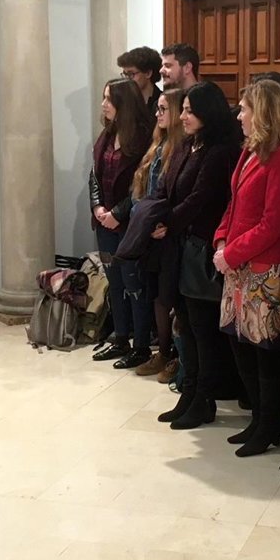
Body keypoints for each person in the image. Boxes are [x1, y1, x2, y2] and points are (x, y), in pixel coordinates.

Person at [213, 80, 280, 455]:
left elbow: (274, 223)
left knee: (265, 350)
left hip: (265, 267)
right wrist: (222, 239)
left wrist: (232, 253)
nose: (239, 116)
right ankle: (258, 419)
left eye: (244, 109)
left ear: (263, 113)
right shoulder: (250, 151)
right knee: (240, 344)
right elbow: (233, 204)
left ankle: (269, 424)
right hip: (238, 264)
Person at [154, 81, 241, 429]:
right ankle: (188, 392)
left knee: (202, 329)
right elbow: (166, 186)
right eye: (184, 110)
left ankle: (204, 398)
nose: (183, 116)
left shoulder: (220, 151)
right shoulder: (188, 144)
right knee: (185, 324)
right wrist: (158, 217)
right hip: (180, 245)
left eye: (190, 111)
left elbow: (201, 198)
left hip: (202, 247)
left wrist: (167, 223)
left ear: (208, 112)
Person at [90, 78, 153, 367]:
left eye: (109, 99)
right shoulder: (107, 134)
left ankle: (141, 345)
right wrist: (98, 207)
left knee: (134, 284)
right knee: (114, 282)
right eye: (104, 98)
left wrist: (117, 213)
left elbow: (143, 184)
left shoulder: (142, 138)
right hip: (105, 222)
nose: (104, 104)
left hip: (130, 224)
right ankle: (120, 337)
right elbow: (94, 175)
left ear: (123, 104)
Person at [127, 87, 187, 380]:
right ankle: (162, 351)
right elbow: (144, 187)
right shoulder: (158, 144)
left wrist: (164, 223)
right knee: (156, 295)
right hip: (150, 230)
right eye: (158, 108)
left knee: (171, 297)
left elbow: (178, 194)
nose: (158, 114)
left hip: (170, 232)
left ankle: (176, 356)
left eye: (164, 109)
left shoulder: (181, 148)